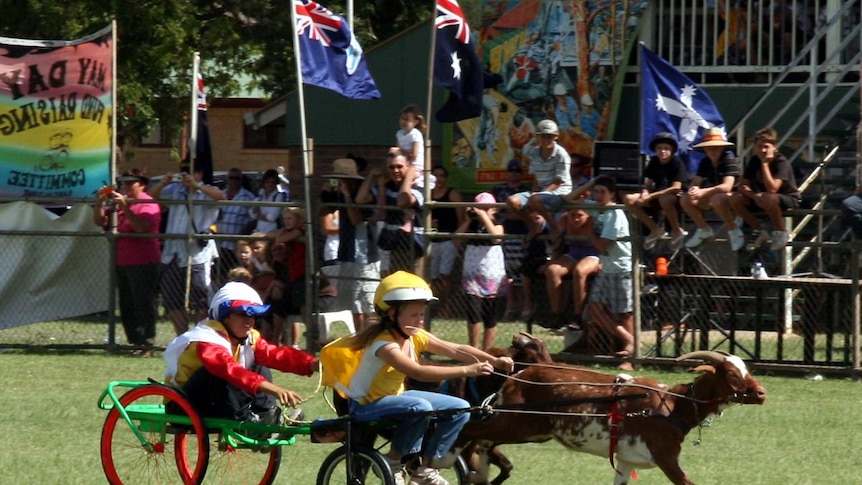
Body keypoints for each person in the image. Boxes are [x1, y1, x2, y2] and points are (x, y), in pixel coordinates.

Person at [341, 271, 514, 485]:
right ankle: (393, 461)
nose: (420, 321)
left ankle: (426, 468)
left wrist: (494, 360)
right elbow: (417, 372)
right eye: (414, 315)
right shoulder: (383, 344)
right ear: (392, 314)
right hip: (366, 405)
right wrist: (466, 371)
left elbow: (456, 349)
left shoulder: (414, 336)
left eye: (422, 314)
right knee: (421, 406)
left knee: (460, 407)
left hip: (395, 398)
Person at [163, 281, 318, 426]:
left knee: (260, 365)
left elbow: (276, 355)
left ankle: (267, 416)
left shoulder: (250, 337)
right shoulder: (207, 340)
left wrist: (311, 364)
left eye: (252, 315)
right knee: (216, 374)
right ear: (224, 316)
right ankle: (248, 423)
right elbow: (229, 370)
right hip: (183, 407)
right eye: (242, 314)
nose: (249, 321)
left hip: (216, 403)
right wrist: (274, 389)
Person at [92, 169, 162, 355]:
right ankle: (135, 342)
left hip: (143, 261)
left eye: (132, 183)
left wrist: (124, 207)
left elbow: (142, 227)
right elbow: (100, 221)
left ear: (142, 184)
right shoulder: (120, 203)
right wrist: (100, 203)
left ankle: (147, 343)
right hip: (122, 261)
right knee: (127, 305)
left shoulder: (147, 204)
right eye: (125, 183)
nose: (127, 187)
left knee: (143, 304)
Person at [151, 167, 226, 336]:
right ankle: (183, 341)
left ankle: (200, 340)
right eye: (183, 172)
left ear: (199, 174)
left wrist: (196, 186)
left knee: (202, 301)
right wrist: (163, 182)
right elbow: (151, 197)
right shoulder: (174, 190)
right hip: (173, 253)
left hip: (197, 255)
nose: (186, 176)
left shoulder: (207, 190)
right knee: (172, 301)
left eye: (191, 172)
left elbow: (221, 198)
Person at [713, 127, 800, 252]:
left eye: (766, 147)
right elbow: (743, 185)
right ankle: (758, 230)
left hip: (785, 198)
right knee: (735, 198)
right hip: (761, 198)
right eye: (759, 147)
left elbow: (773, 189)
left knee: (769, 197)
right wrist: (754, 196)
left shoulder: (781, 162)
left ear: (774, 147)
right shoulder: (754, 161)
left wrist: (765, 164)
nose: (763, 150)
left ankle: (780, 231)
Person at [583, 176, 634, 370]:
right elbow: (570, 199)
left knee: (624, 314)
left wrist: (589, 232)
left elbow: (603, 245)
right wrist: (592, 182)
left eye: (602, 191)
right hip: (607, 267)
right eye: (596, 191)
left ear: (612, 194)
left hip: (621, 268)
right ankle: (628, 340)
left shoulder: (615, 213)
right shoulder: (598, 208)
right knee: (594, 308)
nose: (598, 195)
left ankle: (629, 358)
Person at [326, 158, 381, 334]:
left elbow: (356, 219)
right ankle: (359, 338)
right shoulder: (339, 194)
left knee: (368, 301)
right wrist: (326, 192)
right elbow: (322, 212)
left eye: (341, 179)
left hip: (365, 258)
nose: (338, 183)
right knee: (353, 302)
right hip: (347, 254)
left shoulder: (366, 196)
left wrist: (348, 195)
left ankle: (371, 338)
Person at [506, 119, 572, 249]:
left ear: (556, 137)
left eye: (550, 136)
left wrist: (537, 196)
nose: (547, 139)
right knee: (511, 201)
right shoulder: (534, 152)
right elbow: (536, 178)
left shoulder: (562, 154)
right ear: (538, 137)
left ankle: (555, 228)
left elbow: (559, 181)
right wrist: (535, 194)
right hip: (540, 193)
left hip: (560, 192)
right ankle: (533, 227)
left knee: (535, 199)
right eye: (543, 136)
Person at [358, 153, 425, 274]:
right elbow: (360, 199)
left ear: (408, 167)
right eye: (391, 167)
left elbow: (403, 201)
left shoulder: (418, 187)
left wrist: (410, 176)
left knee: (414, 287)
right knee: (392, 284)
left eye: (400, 166)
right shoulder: (386, 186)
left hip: (415, 247)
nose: (395, 170)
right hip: (392, 245)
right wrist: (371, 176)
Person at [624, 132, 691, 251]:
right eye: (659, 148)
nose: (662, 151)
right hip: (656, 197)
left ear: (672, 150)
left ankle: (676, 230)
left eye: (666, 148)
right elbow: (648, 184)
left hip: (676, 199)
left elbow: (676, 187)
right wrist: (645, 193)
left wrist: (650, 196)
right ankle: (655, 230)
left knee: (665, 199)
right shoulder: (654, 161)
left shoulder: (677, 163)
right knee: (629, 199)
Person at [457, 193, 507, 351]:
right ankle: (474, 349)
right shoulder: (471, 225)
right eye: (480, 207)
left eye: (486, 207)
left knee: (490, 316)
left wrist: (485, 217)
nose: (482, 210)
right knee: (473, 312)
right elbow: (456, 240)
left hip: (491, 276)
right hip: (472, 275)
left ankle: (487, 351)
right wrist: (468, 220)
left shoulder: (498, 224)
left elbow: (496, 238)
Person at [543, 201, 600, 330]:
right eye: (572, 215)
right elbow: (558, 243)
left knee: (580, 271)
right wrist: (553, 259)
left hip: (593, 253)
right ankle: (556, 313)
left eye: (580, 215)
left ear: (587, 214)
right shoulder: (564, 220)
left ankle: (578, 315)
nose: (575, 219)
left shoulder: (594, 221)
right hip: (573, 253)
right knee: (552, 270)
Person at [681, 128, 740, 248]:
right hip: (714, 197)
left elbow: (727, 187)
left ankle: (733, 230)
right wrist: (693, 190)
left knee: (716, 199)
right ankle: (703, 229)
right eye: (710, 147)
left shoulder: (729, 159)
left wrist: (702, 191)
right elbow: (697, 180)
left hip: (735, 199)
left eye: (716, 147)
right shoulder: (705, 161)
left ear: (722, 148)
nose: (713, 150)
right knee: (685, 198)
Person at [428, 165, 465, 318]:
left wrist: (457, 239)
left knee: (445, 276)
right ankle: (430, 308)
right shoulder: (428, 195)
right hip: (431, 242)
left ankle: (447, 308)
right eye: (435, 175)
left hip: (448, 241)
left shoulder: (453, 194)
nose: (439, 179)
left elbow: (462, 219)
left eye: (442, 175)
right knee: (432, 277)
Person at [215, 167, 256, 286]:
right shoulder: (221, 194)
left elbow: (254, 219)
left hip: (236, 247)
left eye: (237, 178)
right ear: (227, 179)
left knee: (235, 276)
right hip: (220, 244)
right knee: (219, 277)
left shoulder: (248, 197)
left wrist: (242, 235)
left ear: (241, 180)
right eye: (231, 178)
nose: (234, 180)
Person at [395, 104, 435, 190]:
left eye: (407, 119)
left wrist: (400, 151)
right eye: (402, 119)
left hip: (416, 166)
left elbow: (413, 155)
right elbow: (398, 151)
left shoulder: (415, 134)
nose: (403, 122)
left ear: (415, 122)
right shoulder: (399, 133)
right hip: (404, 164)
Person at [250, 168, 290, 234]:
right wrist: (258, 214)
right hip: (259, 228)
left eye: (273, 182)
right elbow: (252, 214)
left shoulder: (278, 196)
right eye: (267, 182)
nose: (270, 184)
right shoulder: (260, 195)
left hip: (272, 230)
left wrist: (258, 214)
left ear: (276, 183)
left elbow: (272, 217)